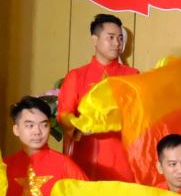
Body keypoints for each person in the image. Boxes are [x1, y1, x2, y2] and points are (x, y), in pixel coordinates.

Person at [57, 14, 139, 181]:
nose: (117, 43)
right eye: (111, 37)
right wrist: (79, 125)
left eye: (120, 38)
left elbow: (139, 115)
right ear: (94, 40)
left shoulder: (132, 75)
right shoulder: (76, 76)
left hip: (122, 157)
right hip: (85, 155)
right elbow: (63, 114)